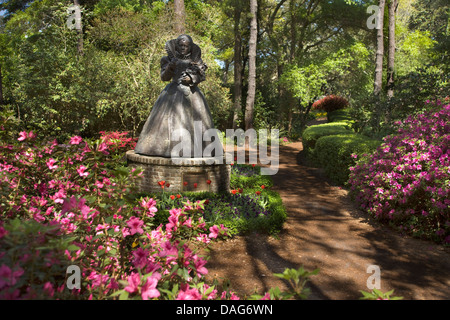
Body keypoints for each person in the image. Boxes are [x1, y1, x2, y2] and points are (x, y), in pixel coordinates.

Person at [134, 34, 217, 158]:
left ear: (190, 47)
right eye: (181, 45)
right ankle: (162, 149)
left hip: (193, 94)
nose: (183, 48)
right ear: (176, 46)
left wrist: (192, 78)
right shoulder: (166, 59)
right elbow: (164, 77)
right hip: (171, 94)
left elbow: (202, 75)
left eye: (186, 46)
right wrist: (171, 67)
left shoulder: (195, 59)